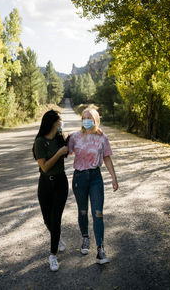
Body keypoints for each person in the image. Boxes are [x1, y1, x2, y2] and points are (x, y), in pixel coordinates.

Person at [68, 107, 118, 264]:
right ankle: (85, 238)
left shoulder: (102, 138)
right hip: (79, 178)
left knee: (98, 213)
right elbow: (63, 152)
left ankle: (100, 250)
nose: (86, 120)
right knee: (83, 211)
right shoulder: (75, 137)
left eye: (89, 117)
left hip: (96, 178)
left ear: (95, 120)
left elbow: (107, 158)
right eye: (84, 117)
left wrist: (114, 178)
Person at [32, 110, 69, 272]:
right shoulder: (39, 142)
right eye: (60, 120)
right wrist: (59, 153)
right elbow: (45, 167)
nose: (61, 122)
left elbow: (82, 136)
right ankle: (57, 237)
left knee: (56, 219)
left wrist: (95, 131)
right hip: (45, 184)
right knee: (47, 219)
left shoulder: (61, 138)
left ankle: (52, 255)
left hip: (61, 182)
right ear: (54, 122)